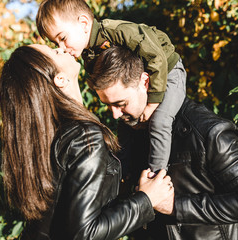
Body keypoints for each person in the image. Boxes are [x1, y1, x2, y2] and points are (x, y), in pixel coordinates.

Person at [87, 46, 238, 240]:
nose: (115, 114)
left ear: (145, 82)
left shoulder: (208, 131)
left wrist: (174, 205)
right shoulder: (131, 129)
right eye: (108, 105)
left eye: (121, 104)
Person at [0, 44, 175, 240]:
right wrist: (147, 200)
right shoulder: (83, 136)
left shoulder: (44, 135)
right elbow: (84, 234)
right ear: (60, 79)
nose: (62, 48)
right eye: (55, 52)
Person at [35, 0, 187, 175]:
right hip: (142, 82)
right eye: (56, 43)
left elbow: (155, 56)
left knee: (159, 121)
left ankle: (156, 175)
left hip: (168, 72)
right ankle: (123, 175)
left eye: (62, 38)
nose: (61, 48)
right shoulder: (89, 55)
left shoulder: (115, 30)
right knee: (124, 127)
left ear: (84, 23)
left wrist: (153, 102)